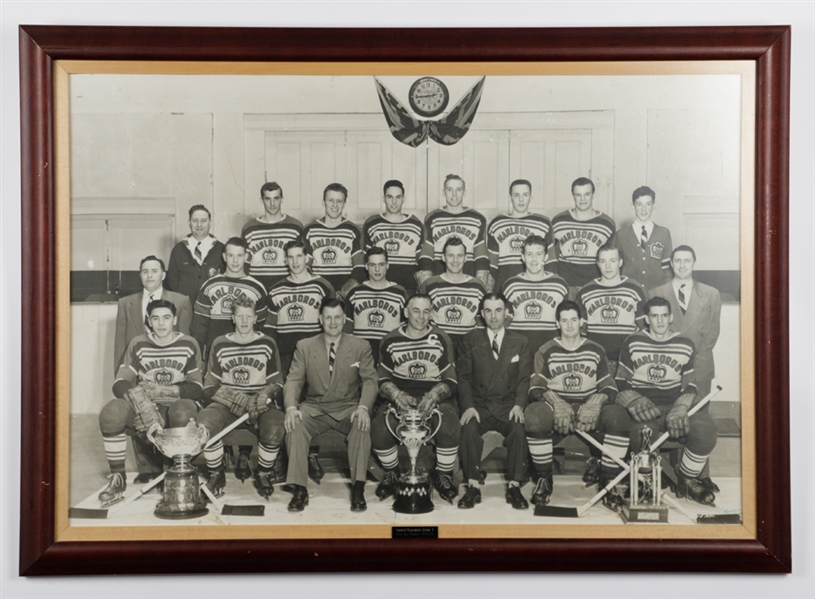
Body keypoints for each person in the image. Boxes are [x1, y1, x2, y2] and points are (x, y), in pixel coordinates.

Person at [97, 299, 203, 505]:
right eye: (155, 318)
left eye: (166, 318)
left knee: (181, 412)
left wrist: (167, 391)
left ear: (174, 320)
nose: (161, 323)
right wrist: (136, 398)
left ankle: (177, 476)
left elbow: (197, 387)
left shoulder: (189, 343)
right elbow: (119, 382)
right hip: (146, 403)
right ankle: (118, 477)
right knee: (111, 413)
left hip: (177, 402)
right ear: (149, 321)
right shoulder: (138, 343)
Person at [615, 296, 718, 506]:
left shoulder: (685, 344)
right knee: (643, 432)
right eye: (654, 316)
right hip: (644, 405)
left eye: (664, 316)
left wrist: (681, 407)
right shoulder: (633, 342)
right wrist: (633, 400)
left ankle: (686, 479)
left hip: (673, 404)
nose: (660, 321)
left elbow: (690, 385)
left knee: (705, 428)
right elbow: (621, 380)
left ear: (671, 317)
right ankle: (645, 482)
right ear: (647, 319)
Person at [523, 300, 627, 508]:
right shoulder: (546, 350)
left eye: (573, 320)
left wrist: (596, 402)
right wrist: (556, 402)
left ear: (581, 322)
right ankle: (544, 479)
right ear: (557, 324)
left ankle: (609, 481)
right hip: (556, 406)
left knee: (618, 415)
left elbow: (609, 386)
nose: (569, 325)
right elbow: (535, 388)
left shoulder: (595, 349)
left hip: (587, 405)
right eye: (564, 321)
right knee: (534, 413)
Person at [283, 298, 378, 512]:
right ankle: (299, 489)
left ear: (344, 319)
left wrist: (363, 407)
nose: (333, 322)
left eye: (337, 317)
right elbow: (294, 380)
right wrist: (291, 408)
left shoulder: (360, 346)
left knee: (362, 423)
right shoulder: (305, 346)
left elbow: (370, 381)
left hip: (348, 407)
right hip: (315, 407)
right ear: (320, 319)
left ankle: (358, 488)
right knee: (295, 424)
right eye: (328, 317)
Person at [371, 294, 461, 504]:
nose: (421, 317)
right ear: (405, 312)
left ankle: (444, 475)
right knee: (379, 428)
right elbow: (381, 377)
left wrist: (435, 395)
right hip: (401, 397)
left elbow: (451, 379)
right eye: (416, 311)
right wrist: (394, 394)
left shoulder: (441, 338)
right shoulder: (390, 339)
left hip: (432, 396)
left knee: (449, 425)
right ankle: (391, 472)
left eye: (426, 311)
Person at [196, 296, 286, 500]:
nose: (244, 321)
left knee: (276, 425)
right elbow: (209, 386)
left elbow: (277, 381)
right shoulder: (219, 343)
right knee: (204, 422)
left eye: (248, 316)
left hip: (259, 402)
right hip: (228, 404)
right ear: (233, 318)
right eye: (240, 316)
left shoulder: (267, 343)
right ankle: (216, 474)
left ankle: (263, 473)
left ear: (255, 318)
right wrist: (232, 397)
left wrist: (265, 395)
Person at [265, 239, 335, 482]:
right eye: (290, 257)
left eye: (299, 256)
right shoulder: (275, 289)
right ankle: (286, 459)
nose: (295, 262)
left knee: (313, 404)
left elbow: (333, 321)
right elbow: (270, 330)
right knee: (288, 404)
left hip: (315, 353)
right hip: (286, 355)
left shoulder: (322, 286)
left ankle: (311, 457)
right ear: (285, 260)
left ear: (308, 258)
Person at [456, 293, 532, 510]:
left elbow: (524, 378)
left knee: (518, 430)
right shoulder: (470, 340)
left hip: (509, 405)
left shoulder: (521, 342)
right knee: (469, 429)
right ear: (481, 313)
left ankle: (515, 487)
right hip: (479, 405)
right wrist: (469, 406)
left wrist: (519, 404)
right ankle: (472, 487)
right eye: (488, 310)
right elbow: (464, 378)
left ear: (506, 312)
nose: (493, 316)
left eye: (498, 310)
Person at [647, 245, 722, 400]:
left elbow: (713, 332)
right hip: (667, 365)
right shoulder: (655, 293)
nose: (682, 265)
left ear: (694, 263)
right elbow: (653, 333)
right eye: (678, 261)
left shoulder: (711, 294)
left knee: (699, 418)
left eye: (687, 261)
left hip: (699, 365)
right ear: (671, 264)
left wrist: (694, 356)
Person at [190, 237, 269, 359]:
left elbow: (261, 325)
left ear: (246, 256)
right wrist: (200, 356)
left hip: (247, 353)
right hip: (215, 353)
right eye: (231, 255)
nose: (235, 261)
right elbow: (199, 326)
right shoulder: (210, 285)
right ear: (224, 256)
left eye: (240, 255)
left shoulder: (257, 288)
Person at [575, 243, 647, 376]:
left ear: (620, 262)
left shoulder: (635, 289)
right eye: (603, 261)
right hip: (596, 360)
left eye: (612, 261)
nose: (607, 266)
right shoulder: (586, 291)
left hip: (627, 360)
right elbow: (581, 332)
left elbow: (643, 330)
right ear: (597, 263)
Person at [113, 255, 192, 373]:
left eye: (154, 271)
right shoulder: (125, 303)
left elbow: (186, 342)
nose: (149, 276)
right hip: (136, 372)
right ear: (140, 276)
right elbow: (120, 346)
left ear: (163, 275)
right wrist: (120, 377)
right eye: (145, 272)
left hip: (170, 370)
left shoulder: (181, 302)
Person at [417, 174, 490, 289]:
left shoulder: (476, 218)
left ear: (464, 192)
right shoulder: (433, 218)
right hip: (440, 278)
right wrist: (428, 281)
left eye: (458, 190)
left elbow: (481, 256)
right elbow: (427, 254)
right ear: (443, 192)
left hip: (468, 278)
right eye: (449, 190)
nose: (454, 194)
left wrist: (479, 282)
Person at [500, 234, 569, 355]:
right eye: (529, 254)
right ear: (522, 257)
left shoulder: (559, 285)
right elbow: (504, 323)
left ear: (546, 257)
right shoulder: (511, 285)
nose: (534, 259)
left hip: (550, 350)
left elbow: (564, 322)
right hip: (518, 350)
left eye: (539, 254)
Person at [419, 236, 486, 357]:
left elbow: (482, 321)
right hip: (437, 346)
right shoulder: (430, 285)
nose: (455, 260)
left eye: (460, 255)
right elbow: (420, 318)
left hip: (468, 347)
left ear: (466, 258)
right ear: (443, 257)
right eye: (451, 255)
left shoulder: (477, 286)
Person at [549, 177, 616, 292]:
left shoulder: (607, 224)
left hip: (594, 285)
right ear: (573, 195)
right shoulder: (559, 221)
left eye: (587, 194)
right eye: (578, 195)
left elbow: (612, 259)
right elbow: (549, 255)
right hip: (566, 284)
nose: (582, 199)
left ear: (593, 195)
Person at [344, 247, 408, 365]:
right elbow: (348, 331)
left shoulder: (399, 293)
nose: (377, 269)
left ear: (387, 265)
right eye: (372, 265)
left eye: (381, 264)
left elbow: (405, 331)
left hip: (390, 356)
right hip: (361, 356)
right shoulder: (355, 293)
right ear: (366, 266)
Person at [487, 179, 553, 293]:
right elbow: (492, 266)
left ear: (531, 197)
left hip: (535, 287)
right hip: (504, 286)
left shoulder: (543, 223)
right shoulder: (497, 224)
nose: (521, 199)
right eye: (516, 195)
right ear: (510, 197)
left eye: (525, 195)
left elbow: (551, 263)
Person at [362, 180, 425, 296]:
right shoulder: (372, 223)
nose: (394, 202)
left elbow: (421, 259)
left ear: (403, 199)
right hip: (378, 287)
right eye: (390, 197)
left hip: (408, 287)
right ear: (383, 198)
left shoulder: (415, 224)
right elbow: (365, 259)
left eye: (398, 197)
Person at [303, 183, 366, 298]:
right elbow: (305, 265)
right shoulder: (310, 230)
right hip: (317, 291)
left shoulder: (354, 230)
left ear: (344, 204)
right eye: (330, 200)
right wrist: (313, 288)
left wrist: (347, 289)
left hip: (344, 293)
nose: (335, 205)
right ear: (323, 202)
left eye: (339, 201)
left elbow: (359, 266)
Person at [241, 182, 304, 293]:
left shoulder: (295, 227)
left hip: (287, 288)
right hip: (257, 288)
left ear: (282, 199)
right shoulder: (249, 228)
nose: (272, 203)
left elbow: (302, 261)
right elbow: (244, 263)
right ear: (262, 200)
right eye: (267, 199)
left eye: (276, 198)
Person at [611, 186, 673, 291]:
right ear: (632, 206)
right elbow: (616, 269)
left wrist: (665, 294)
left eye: (648, 204)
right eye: (639, 204)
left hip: (656, 295)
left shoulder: (663, 233)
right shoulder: (621, 235)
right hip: (629, 294)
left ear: (654, 205)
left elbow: (667, 271)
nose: (644, 209)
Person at [166, 204, 226, 306]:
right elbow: (172, 282)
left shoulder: (221, 249)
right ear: (189, 222)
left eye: (203, 221)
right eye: (195, 221)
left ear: (210, 223)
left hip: (213, 308)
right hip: (185, 309)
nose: (199, 225)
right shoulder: (178, 250)